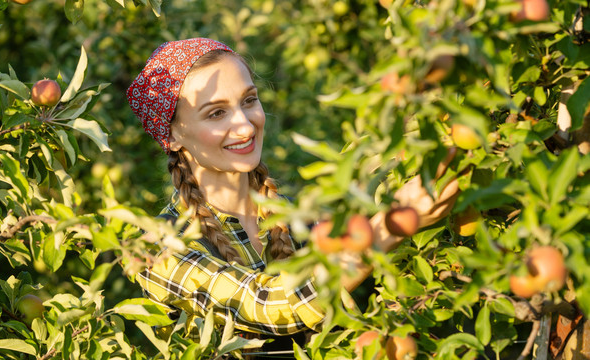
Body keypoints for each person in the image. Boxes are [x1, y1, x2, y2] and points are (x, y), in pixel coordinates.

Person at [126, 38, 459, 357]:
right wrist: (391, 226)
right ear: (170, 134)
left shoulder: (300, 218)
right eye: (216, 113)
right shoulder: (157, 250)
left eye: (249, 100)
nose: (245, 126)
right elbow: (274, 306)